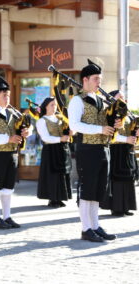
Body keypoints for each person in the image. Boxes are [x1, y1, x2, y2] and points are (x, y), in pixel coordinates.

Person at [68, 59, 118, 242]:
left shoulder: (102, 101)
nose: (99, 82)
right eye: (96, 79)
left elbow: (106, 124)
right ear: (85, 80)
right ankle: (86, 228)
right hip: (87, 149)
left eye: (100, 79)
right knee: (87, 189)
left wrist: (115, 124)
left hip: (103, 149)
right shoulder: (77, 100)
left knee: (98, 190)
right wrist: (100, 129)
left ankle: (95, 226)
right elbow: (74, 125)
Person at [0, 75, 31, 230]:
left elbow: (23, 127)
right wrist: (8, 139)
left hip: (12, 154)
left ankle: (7, 217)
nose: (7, 98)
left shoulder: (12, 114)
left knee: (8, 188)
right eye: (4, 96)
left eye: (8, 95)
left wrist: (27, 132)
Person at [100, 90, 138, 217]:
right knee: (117, 179)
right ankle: (116, 207)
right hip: (115, 150)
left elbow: (131, 132)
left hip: (127, 150)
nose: (123, 99)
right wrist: (126, 139)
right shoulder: (110, 114)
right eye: (119, 97)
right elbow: (110, 133)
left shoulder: (127, 115)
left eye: (123, 97)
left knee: (128, 178)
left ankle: (126, 206)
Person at [36, 97, 72, 208]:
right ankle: (52, 199)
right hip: (51, 150)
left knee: (62, 174)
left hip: (62, 149)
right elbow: (45, 138)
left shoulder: (61, 119)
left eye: (55, 104)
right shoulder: (42, 121)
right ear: (45, 106)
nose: (54, 107)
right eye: (52, 104)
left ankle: (60, 197)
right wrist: (60, 139)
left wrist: (70, 132)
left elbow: (69, 130)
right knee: (52, 175)